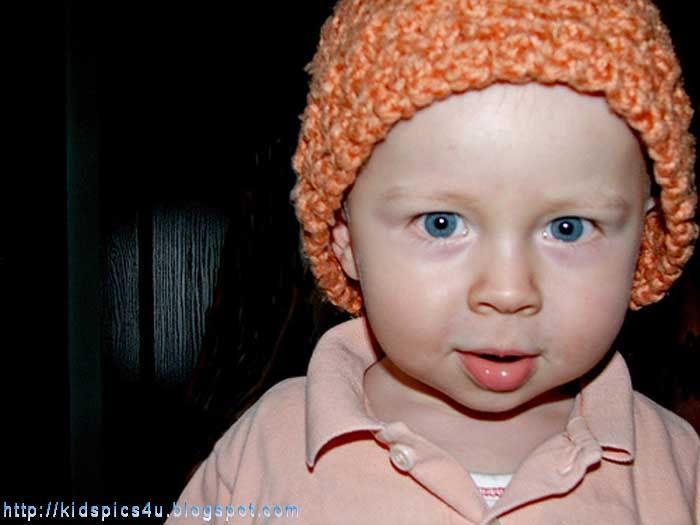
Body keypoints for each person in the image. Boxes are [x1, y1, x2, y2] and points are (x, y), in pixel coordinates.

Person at [167, 0, 699, 523]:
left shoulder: (681, 474)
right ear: (344, 236)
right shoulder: (262, 457)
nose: (509, 291)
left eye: (568, 228)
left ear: (645, 239)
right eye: (441, 222)